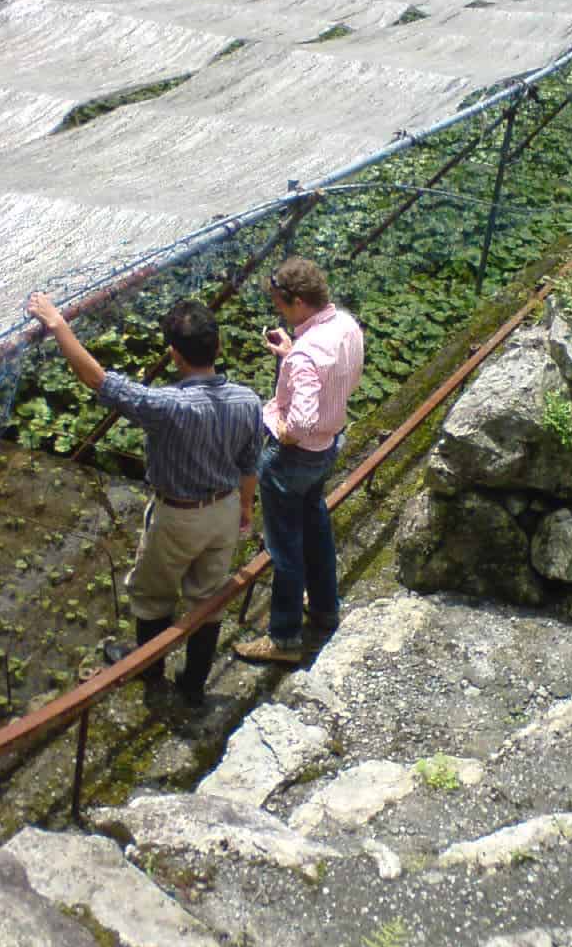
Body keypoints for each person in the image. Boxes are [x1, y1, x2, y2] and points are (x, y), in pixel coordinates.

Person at [27, 292, 263, 706]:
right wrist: (245, 508)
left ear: (174, 355)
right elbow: (249, 464)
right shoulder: (248, 400)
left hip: (179, 516)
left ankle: (150, 671)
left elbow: (99, 380)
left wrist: (58, 325)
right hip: (225, 508)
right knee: (208, 598)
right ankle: (193, 685)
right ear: (219, 346)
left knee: (153, 595)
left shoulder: (167, 406)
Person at [235, 257, 364, 665]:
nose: (280, 312)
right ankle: (325, 607)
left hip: (292, 459)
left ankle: (284, 637)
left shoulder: (305, 356)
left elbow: (302, 421)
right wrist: (293, 352)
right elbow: (332, 376)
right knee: (315, 523)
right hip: (327, 449)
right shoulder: (345, 324)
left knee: (284, 546)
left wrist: (279, 427)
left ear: (297, 302)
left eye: (281, 304)